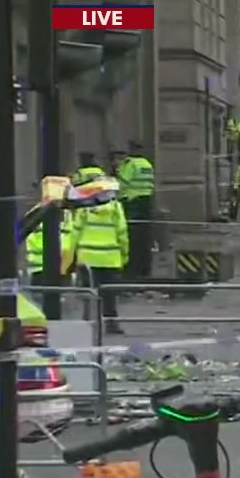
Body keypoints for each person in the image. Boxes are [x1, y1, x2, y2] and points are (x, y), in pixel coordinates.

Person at [69, 177, 129, 334]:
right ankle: (111, 324)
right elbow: (122, 234)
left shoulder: (84, 208)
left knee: (89, 294)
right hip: (110, 257)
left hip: (87, 256)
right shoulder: (116, 207)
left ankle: (87, 324)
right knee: (109, 295)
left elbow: (75, 232)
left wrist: (70, 254)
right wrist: (124, 254)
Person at [116, 141, 155, 279]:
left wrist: (117, 172)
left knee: (131, 237)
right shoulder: (147, 164)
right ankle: (144, 269)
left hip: (132, 202)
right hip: (146, 202)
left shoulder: (130, 164)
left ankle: (131, 270)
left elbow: (123, 183)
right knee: (144, 237)